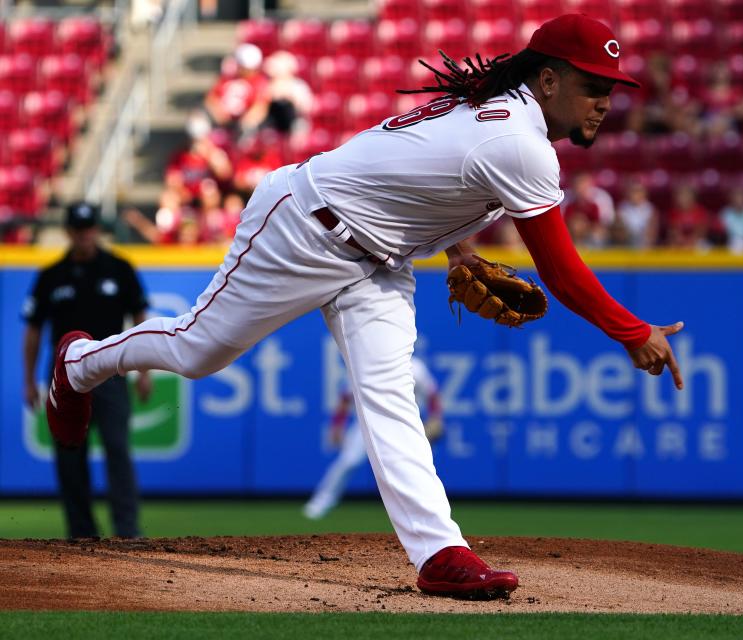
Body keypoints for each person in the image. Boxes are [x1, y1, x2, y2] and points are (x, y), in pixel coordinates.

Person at [44, 15, 684, 600]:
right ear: (548, 79)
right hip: (302, 227)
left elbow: (417, 174)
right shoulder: (520, 142)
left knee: (390, 393)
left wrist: (457, 250)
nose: (605, 100)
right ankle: (78, 362)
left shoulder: (503, 114)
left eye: (612, 86)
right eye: (593, 84)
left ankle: (439, 552)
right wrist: (632, 332)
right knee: (196, 350)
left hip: (378, 261)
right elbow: (561, 272)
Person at [22, 203, 152, 539]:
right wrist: (28, 380)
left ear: (96, 229)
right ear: (69, 232)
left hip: (110, 375)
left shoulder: (119, 268)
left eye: (89, 228)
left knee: (118, 450)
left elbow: (141, 321)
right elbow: (33, 331)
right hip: (65, 380)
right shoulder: (51, 275)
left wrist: (145, 370)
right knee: (69, 453)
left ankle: (127, 532)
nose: (84, 234)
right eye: (78, 229)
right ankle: (81, 534)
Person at [304, 355, 443, 520]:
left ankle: (426, 507)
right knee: (349, 461)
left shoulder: (415, 367)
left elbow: (432, 394)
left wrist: (436, 418)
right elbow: (345, 398)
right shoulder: (369, 363)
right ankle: (321, 502)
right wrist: (337, 426)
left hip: (403, 425)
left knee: (416, 465)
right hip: (368, 423)